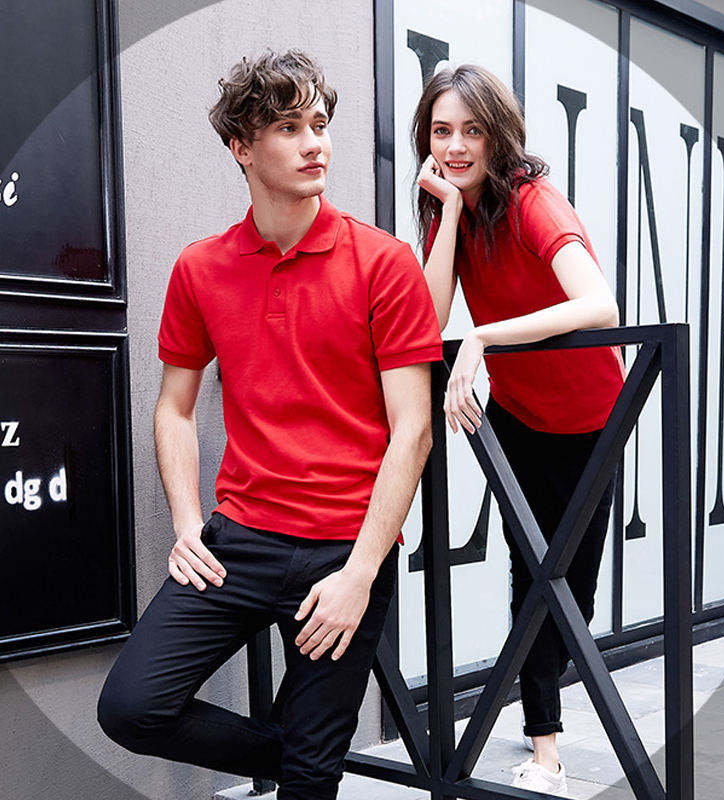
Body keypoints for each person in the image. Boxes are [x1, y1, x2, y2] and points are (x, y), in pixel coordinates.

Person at [96, 50, 442, 800]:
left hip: (343, 550)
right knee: (132, 707)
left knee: (308, 788)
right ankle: (306, 756)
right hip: (239, 542)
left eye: (320, 124)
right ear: (241, 148)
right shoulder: (201, 268)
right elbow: (173, 407)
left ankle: (310, 764)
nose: (315, 143)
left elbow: (413, 430)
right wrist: (186, 524)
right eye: (289, 128)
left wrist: (360, 574)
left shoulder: (384, 263)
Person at [413, 64, 624, 794]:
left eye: (472, 131)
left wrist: (484, 337)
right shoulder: (454, 210)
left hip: (592, 420)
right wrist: (445, 212)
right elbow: (430, 319)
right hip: (519, 418)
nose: (455, 146)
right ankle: (545, 750)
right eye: (442, 131)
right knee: (532, 578)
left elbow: (598, 305)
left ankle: (540, 695)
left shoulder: (534, 202)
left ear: (498, 135)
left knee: (573, 597)